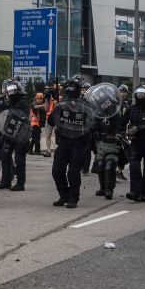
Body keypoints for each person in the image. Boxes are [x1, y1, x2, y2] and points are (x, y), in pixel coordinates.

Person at [48, 76, 91, 209]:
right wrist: (57, 109)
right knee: (57, 170)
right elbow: (50, 121)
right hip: (64, 142)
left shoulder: (86, 107)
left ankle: (73, 198)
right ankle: (64, 195)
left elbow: (92, 124)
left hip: (79, 143)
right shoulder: (61, 106)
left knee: (73, 173)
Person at [122, 85, 145, 202]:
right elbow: (122, 122)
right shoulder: (131, 109)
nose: (141, 97)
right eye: (139, 95)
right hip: (136, 142)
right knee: (134, 167)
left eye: (143, 95)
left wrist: (138, 128)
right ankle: (135, 192)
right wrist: (119, 133)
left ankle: (144, 193)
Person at [0, 79, 30, 191]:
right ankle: (6, 181)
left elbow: (22, 116)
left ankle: (20, 183)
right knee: (4, 155)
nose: (9, 95)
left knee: (19, 159)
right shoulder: (6, 102)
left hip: (21, 135)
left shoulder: (23, 102)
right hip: (9, 134)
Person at [92, 101, 125, 200]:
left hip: (112, 143)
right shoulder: (98, 114)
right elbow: (93, 127)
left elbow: (120, 127)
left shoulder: (116, 114)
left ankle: (109, 190)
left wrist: (118, 134)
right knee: (100, 165)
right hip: (101, 143)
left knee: (109, 165)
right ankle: (102, 188)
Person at [41, 81, 60, 157]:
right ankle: (48, 151)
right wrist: (46, 99)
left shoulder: (60, 97)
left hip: (57, 118)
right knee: (48, 135)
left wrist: (57, 101)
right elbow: (46, 108)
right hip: (49, 118)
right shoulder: (49, 98)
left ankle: (59, 150)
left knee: (58, 135)